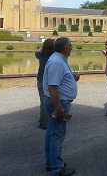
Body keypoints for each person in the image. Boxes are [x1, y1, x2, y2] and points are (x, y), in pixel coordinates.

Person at [43, 37, 79, 176]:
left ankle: (50, 164)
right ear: (66, 48)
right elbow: (52, 87)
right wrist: (59, 108)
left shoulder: (58, 59)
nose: (72, 48)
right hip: (59, 103)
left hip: (59, 102)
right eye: (71, 45)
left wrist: (72, 79)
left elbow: (58, 81)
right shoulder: (57, 62)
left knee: (52, 133)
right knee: (58, 135)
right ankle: (57, 168)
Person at [35, 38, 55, 130]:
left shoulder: (40, 55)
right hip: (53, 81)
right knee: (55, 101)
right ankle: (55, 120)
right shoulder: (55, 57)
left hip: (42, 81)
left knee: (43, 102)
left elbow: (38, 50)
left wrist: (44, 45)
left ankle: (44, 123)